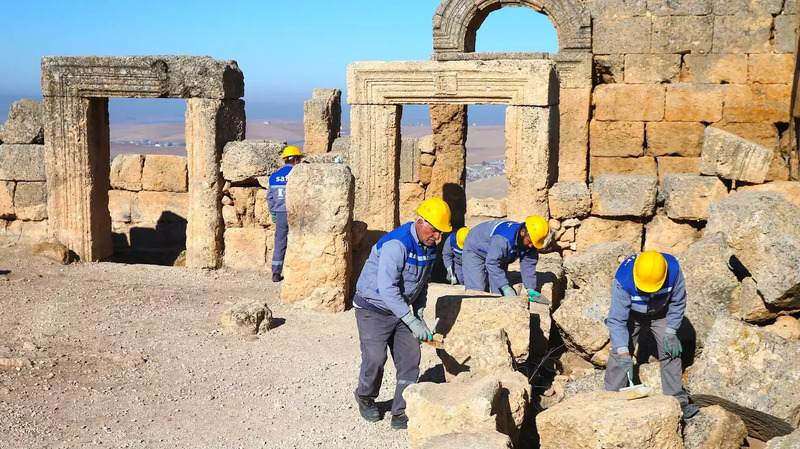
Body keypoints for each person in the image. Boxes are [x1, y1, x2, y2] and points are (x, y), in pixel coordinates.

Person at [352, 197, 452, 430]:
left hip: (401, 311)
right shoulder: (397, 244)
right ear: (420, 222)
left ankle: (401, 410)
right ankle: (365, 396)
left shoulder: (430, 246)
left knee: (410, 359)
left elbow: (423, 282)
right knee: (375, 359)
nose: (437, 237)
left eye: (441, 233)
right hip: (373, 308)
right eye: (435, 231)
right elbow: (387, 289)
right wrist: (410, 319)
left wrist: (418, 313)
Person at [604, 250, 700, 419]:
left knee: (671, 349)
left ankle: (678, 401)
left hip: (661, 312)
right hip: (632, 315)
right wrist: (624, 352)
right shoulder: (624, 279)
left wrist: (671, 332)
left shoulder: (673, 270)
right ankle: (610, 399)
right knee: (619, 353)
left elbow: (678, 303)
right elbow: (617, 320)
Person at [461, 216, 549, 302]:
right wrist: (505, 286)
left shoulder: (531, 242)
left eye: (534, 243)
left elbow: (528, 264)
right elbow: (492, 263)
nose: (531, 246)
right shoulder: (503, 240)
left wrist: (530, 288)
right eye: (530, 241)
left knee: (499, 293)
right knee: (477, 292)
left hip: (498, 253)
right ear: (523, 232)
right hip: (475, 247)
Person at [266, 145, 304, 282]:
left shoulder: (274, 177)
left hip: (280, 213)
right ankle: (298, 271)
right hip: (295, 213)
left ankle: (276, 273)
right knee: (299, 241)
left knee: (280, 242)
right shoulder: (298, 175)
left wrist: (274, 212)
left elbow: (269, 197)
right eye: (299, 159)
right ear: (296, 160)